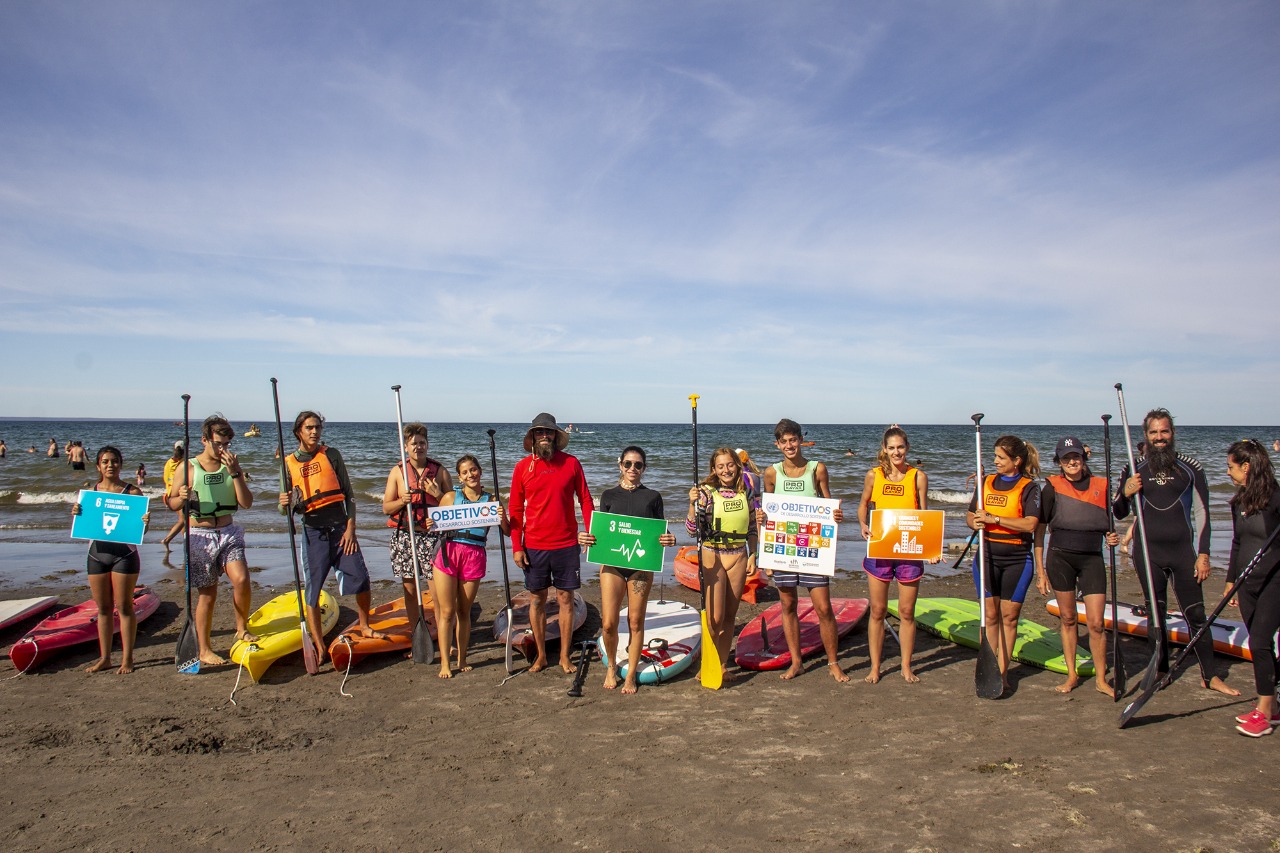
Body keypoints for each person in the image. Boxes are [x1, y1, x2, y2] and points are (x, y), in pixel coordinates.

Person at [1113, 408, 1237, 696]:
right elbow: (1118, 512)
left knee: (1196, 614)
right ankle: (1161, 670)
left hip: (1183, 553)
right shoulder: (1133, 468)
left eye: (1164, 431)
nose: (1159, 437)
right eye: (1154, 432)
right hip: (1148, 553)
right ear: (1146, 435)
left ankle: (1210, 675)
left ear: (1173, 433)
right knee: (1155, 615)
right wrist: (1126, 492)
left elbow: (1203, 513)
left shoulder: (1191, 468)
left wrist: (1204, 554)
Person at [281, 411, 386, 666]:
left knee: (361, 578)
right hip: (313, 532)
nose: (314, 432)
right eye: (309, 428)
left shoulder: (332, 455)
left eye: (317, 427)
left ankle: (364, 625)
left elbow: (349, 494)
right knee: (313, 589)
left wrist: (351, 528)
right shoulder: (287, 464)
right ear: (298, 431)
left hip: (340, 529)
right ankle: (319, 644)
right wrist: (283, 503)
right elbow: (284, 509)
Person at [757, 419, 848, 682]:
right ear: (777, 444)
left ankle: (833, 663)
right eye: (784, 441)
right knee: (788, 605)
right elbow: (767, 509)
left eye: (793, 440)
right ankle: (797, 662)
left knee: (824, 608)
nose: (789, 445)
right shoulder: (772, 473)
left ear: (801, 440)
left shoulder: (817, 469)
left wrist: (836, 515)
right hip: (783, 550)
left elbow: (828, 504)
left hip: (812, 549)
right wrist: (761, 520)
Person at [582, 446, 675, 694]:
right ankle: (612, 666)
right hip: (612, 565)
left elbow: (660, 531)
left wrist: (669, 538)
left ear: (644, 468)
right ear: (620, 465)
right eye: (628, 464)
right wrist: (587, 538)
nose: (633, 468)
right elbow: (602, 531)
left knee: (635, 621)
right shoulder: (608, 495)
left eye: (638, 465)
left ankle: (631, 674)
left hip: (640, 568)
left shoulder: (653, 497)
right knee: (608, 623)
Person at [166, 415, 255, 665]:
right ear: (205, 440)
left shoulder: (232, 465)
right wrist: (181, 497)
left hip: (228, 532)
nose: (223, 449)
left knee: (242, 579)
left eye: (226, 444)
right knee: (207, 594)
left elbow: (246, 503)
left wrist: (235, 473)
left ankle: (241, 629)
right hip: (199, 536)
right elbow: (171, 502)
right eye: (218, 444)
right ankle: (204, 649)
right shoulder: (187, 467)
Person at [509, 413, 594, 673]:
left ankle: (565, 656)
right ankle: (542, 656)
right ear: (533, 437)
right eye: (539, 432)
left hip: (566, 544)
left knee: (566, 598)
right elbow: (515, 509)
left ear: (556, 436)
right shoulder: (522, 468)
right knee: (537, 600)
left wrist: (591, 532)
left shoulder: (571, 463)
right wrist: (517, 547)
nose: (544, 436)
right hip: (535, 545)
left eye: (549, 432)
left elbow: (585, 499)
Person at [1034, 436, 1119, 697]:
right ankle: (1072, 675)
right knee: (1068, 618)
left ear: (1084, 458)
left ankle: (1101, 679)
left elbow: (1110, 522)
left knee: (1096, 623)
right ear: (1059, 462)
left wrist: (1112, 537)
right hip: (1060, 559)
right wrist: (1040, 572)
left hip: (1092, 559)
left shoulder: (1102, 485)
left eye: (1076, 456)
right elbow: (1039, 530)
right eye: (1066, 458)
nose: (1072, 462)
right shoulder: (1051, 488)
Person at [858, 425, 936, 684]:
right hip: (880, 549)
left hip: (909, 551)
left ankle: (906, 666)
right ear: (884, 449)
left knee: (906, 611)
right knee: (878, 610)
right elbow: (863, 505)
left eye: (900, 447)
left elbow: (925, 516)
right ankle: (875, 667)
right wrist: (863, 525)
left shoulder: (918, 477)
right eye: (891, 448)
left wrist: (931, 549)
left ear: (907, 448)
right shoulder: (874, 475)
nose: (896, 452)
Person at [966, 434, 1042, 692]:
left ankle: (1002, 672)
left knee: (1009, 618)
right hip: (987, 557)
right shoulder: (986, 482)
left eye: (1001, 457)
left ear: (1016, 460)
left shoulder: (1029, 487)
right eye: (995, 456)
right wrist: (975, 522)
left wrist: (994, 519)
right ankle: (988, 669)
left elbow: (1030, 524)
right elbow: (970, 515)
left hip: (1017, 560)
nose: (996, 461)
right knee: (989, 615)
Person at [426, 454, 509, 678]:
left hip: (474, 555)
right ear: (460, 478)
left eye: (473, 470)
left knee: (464, 611)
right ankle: (445, 663)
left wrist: (501, 516)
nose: (470, 474)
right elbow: (435, 525)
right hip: (448, 552)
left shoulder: (492, 500)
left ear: (480, 471)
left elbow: (508, 531)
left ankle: (462, 658)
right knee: (446, 612)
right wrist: (430, 523)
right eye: (465, 472)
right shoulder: (450, 497)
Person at [71, 446, 149, 674]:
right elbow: (84, 525)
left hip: (124, 556)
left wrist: (145, 522)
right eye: (105, 462)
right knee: (103, 609)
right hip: (96, 554)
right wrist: (77, 513)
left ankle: (127, 659)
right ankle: (104, 658)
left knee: (124, 607)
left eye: (114, 461)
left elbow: (140, 532)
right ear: (98, 466)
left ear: (120, 464)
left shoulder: (132, 492)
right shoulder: (90, 493)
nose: (110, 465)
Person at [687, 447, 758, 680]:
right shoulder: (705, 493)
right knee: (714, 617)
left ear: (737, 465)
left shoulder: (746, 492)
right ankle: (707, 662)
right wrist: (692, 505)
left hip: (738, 555)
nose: (726, 470)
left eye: (730, 465)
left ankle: (722, 664)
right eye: (720, 466)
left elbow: (752, 528)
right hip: (713, 555)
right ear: (714, 469)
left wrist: (753, 554)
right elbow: (691, 531)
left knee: (729, 615)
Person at [1224, 440, 1280, 736]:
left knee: (1258, 643)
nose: (1228, 472)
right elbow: (1237, 543)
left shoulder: (1276, 499)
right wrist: (1231, 581)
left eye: (1231, 466)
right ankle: (1274, 706)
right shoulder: (1239, 502)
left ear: (1246, 467)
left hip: (1274, 581)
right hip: (1247, 583)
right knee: (1261, 645)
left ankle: (1264, 713)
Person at [381, 422, 452, 647]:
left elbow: (453, 508)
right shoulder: (398, 472)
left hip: (432, 538)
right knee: (411, 590)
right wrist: (401, 501)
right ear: (406, 446)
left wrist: (437, 494)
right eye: (413, 444)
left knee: (437, 592)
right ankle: (417, 636)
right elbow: (386, 508)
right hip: (405, 537)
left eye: (422, 443)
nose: (418, 447)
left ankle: (445, 639)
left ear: (427, 445)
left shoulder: (439, 471)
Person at [160, 442, 186, 549]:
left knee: (183, 520)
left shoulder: (168, 463)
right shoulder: (183, 463)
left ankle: (185, 542)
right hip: (179, 495)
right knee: (183, 520)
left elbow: (166, 479)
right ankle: (167, 540)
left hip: (169, 494)